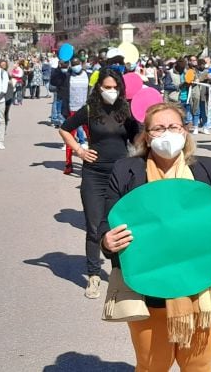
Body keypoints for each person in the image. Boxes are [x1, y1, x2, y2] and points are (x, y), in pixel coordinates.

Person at [100, 102, 211, 371]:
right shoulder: (126, 170)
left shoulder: (209, 168)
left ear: (186, 131)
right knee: (152, 365)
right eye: (158, 128)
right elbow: (106, 222)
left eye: (173, 127)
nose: (166, 133)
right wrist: (106, 242)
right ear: (146, 135)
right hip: (148, 288)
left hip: (202, 288)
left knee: (198, 367)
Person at [58, 69, 139, 299]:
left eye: (115, 87)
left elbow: (137, 138)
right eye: (107, 87)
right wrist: (79, 151)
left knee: (121, 225)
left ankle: (121, 272)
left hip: (122, 175)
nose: (111, 91)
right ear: (99, 87)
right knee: (94, 227)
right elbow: (64, 128)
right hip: (94, 175)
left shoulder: (126, 111)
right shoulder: (90, 110)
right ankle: (93, 275)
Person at [60, 58, 90, 174]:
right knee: (70, 139)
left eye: (77, 64)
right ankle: (68, 164)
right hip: (72, 110)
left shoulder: (88, 75)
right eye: (73, 64)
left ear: (81, 64)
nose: (75, 66)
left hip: (86, 110)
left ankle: (89, 164)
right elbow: (55, 80)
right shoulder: (67, 76)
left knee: (91, 138)